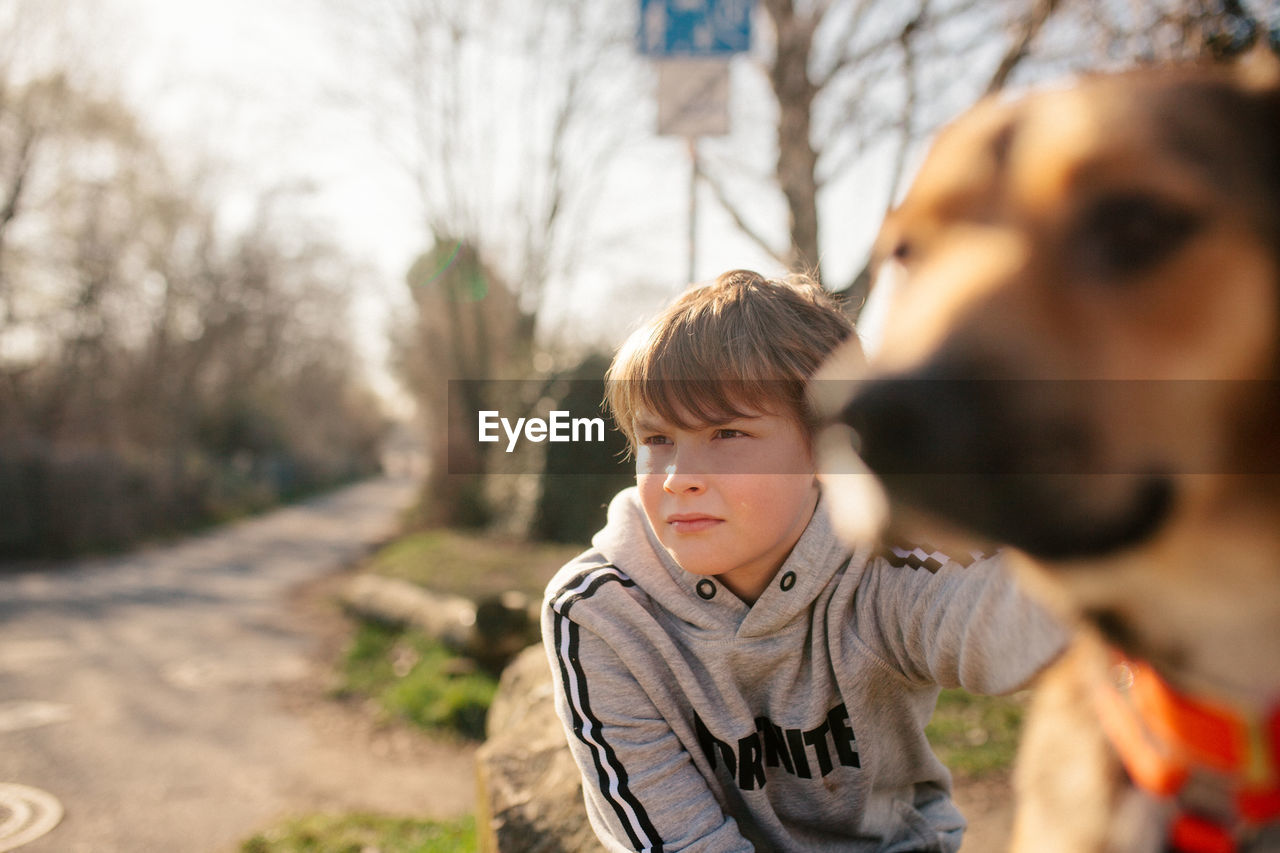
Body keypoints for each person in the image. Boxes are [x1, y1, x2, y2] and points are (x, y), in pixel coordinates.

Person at [541, 269, 1065, 852]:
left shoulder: (882, 564)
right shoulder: (601, 611)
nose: (678, 480)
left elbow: (1036, 621)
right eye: (658, 440)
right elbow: (680, 843)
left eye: (728, 434)